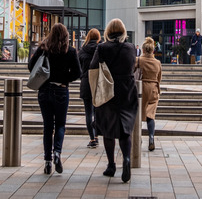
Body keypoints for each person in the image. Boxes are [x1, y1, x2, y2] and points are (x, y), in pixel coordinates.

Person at [28, 23, 81, 175]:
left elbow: (31, 66)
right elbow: (78, 72)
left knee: (47, 127)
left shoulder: (44, 48)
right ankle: (57, 152)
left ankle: (47, 161)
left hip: (44, 90)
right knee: (60, 125)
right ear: (66, 36)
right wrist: (65, 78)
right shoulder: (70, 51)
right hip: (61, 90)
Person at [89, 18, 137, 183]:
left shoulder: (102, 48)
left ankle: (111, 165)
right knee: (125, 130)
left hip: (107, 92)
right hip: (128, 91)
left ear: (107, 32)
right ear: (123, 32)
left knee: (108, 129)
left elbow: (93, 67)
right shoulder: (131, 48)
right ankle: (127, 159)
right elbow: (133, 66)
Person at [135, 37, 162, 151]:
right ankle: (151, 137)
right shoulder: (157, 63)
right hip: (153, 89)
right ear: (152, 51)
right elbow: (159, 78)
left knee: (138, 115)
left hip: (141, 88)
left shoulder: (139, 60)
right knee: (150, 115)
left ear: (143, 49)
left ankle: (138, 138)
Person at [78, 28, 101, 149]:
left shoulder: (82, 50)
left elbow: (78, 67)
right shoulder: (100, 49)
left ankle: (92, 138)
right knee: (97, 111)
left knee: (88, 112)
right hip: (97, 81)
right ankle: (97, 135)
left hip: (86, 82)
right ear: (98, 37)